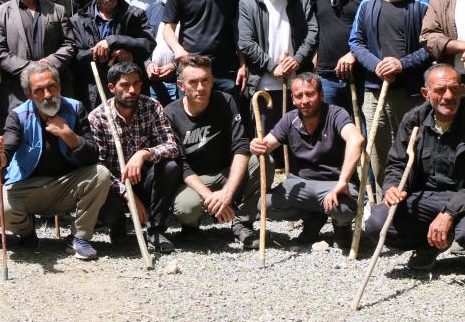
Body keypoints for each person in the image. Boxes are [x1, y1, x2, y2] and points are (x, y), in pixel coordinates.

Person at [0, 62, 110, 260]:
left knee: (101, 174)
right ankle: (27, 234)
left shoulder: (76, 108)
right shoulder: (18, 115)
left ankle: (79, 238)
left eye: (51, 87)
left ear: (59, 86)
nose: (47, 95)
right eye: (39, 90)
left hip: (67, 185)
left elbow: (93, 154)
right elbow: (6, 151)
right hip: (29, 187)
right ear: (28, 94)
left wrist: (68, 135)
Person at [349, 0, 431, 200]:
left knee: (413, 148)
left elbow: (432, 45)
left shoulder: (423, 3)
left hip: (411, 94)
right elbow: (356, 42)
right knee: (379, 149)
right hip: (375, 93)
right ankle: (386, 201)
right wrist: (377, 65)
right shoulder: (368, 4)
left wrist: (402, 64)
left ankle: (415, 200)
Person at [365, 64, 465, 270]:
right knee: (377, 222)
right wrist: (392, 187)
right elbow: (398, 162)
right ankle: (430, 246)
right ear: (425, 93)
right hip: (426, 198)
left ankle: (449, 237)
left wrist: (449, 213)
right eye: (439, 90)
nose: (448, 96)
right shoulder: (414, 120)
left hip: (461, 200)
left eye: (455, 89)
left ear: (462, 89)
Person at [166, 55, 269, 248]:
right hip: (195, 179)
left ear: (212, 80)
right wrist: (210, 196)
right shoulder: (170, 114)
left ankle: (242, 221)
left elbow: (241, 146)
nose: (200, 87)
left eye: (205, 80)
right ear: (181, 85)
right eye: (193, 82)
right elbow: (182, 165)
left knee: (262, 160)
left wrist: (227, 194)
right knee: (186, 208)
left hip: (225, 171)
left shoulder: (226, 101)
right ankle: (191, 227)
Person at [249, 73, 364, 247]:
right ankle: (313, 219)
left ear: (322, 94)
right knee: (264, 205)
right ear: (293, 99)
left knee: (344, 209)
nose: (305, 100)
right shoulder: (290, 119)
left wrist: (343, 181)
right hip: (301, 183)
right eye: (299, 96)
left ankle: (341, 227)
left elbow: (357, 140)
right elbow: (267, 144)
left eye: (310, 94)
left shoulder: (336, 114)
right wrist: (257, 145)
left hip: (333, 183)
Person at [91, 62, 180, 253]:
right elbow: (97, 167)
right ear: (112, 87)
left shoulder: (152, 106)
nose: (132, 90)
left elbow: (172, 147)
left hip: (144, 179)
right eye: (125, 85)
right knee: (105, 195)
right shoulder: (98, 117)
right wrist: (126, 194)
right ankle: (118, 228)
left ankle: (155, 230)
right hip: (114, 185)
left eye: (136, 84)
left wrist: (143, 153)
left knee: (170, 167)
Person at [238, 0, 318, 136]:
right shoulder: (248, 4)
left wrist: (297, 59)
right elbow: (246, 41)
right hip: (265, 85)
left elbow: (313, 32)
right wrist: (273, 67)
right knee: (270, 138)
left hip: (299, 84)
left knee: (303, 135)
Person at [0, 0, 76, 125]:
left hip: (53, 91)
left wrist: (51, 62)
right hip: (18, 93)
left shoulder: (57, 10)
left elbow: (70, 44)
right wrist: (32, 70)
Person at [309, 0, 379, 111]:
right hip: (327, 75)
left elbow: (378, 29)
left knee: (363, 130)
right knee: (331, 131)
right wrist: (315, 57)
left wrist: (355, 53)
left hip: (363, 75)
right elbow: (313, 27)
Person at [70, 0, 154, 110]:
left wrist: (114, 40)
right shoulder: (78, 20)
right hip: (93, 91)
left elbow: (147, 44)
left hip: (129, 89)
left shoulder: (135, 15)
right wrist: (110, 52)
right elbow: (75, 56)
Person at [145, 0, 187, 106]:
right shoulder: (151, 10)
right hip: (154, 82)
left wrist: (175, 65)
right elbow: (143, 41)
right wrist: (148, 64)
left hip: (182, 80)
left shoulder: (195, 8)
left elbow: (197, 42)